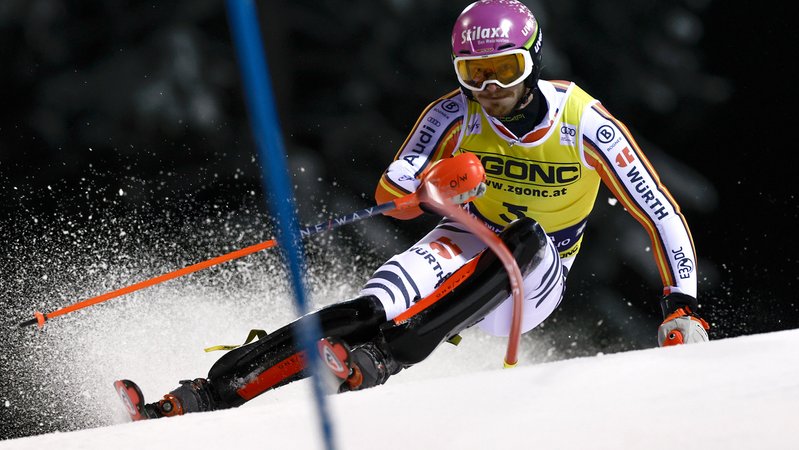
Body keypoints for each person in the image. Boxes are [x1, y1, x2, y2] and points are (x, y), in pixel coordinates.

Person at [114, 0, 710, 420]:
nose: (491, 88)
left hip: (534, 275)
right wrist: (430, 186)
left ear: (532, 63)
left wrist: (680, 306)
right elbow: (390, 192)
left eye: (506, 70)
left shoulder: (584, 123)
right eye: (475, 74)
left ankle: (388, 359)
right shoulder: (453, 113)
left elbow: (656, 209)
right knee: (370, 308)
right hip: (466, 239)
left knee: (525, 235)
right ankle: (210, 395)